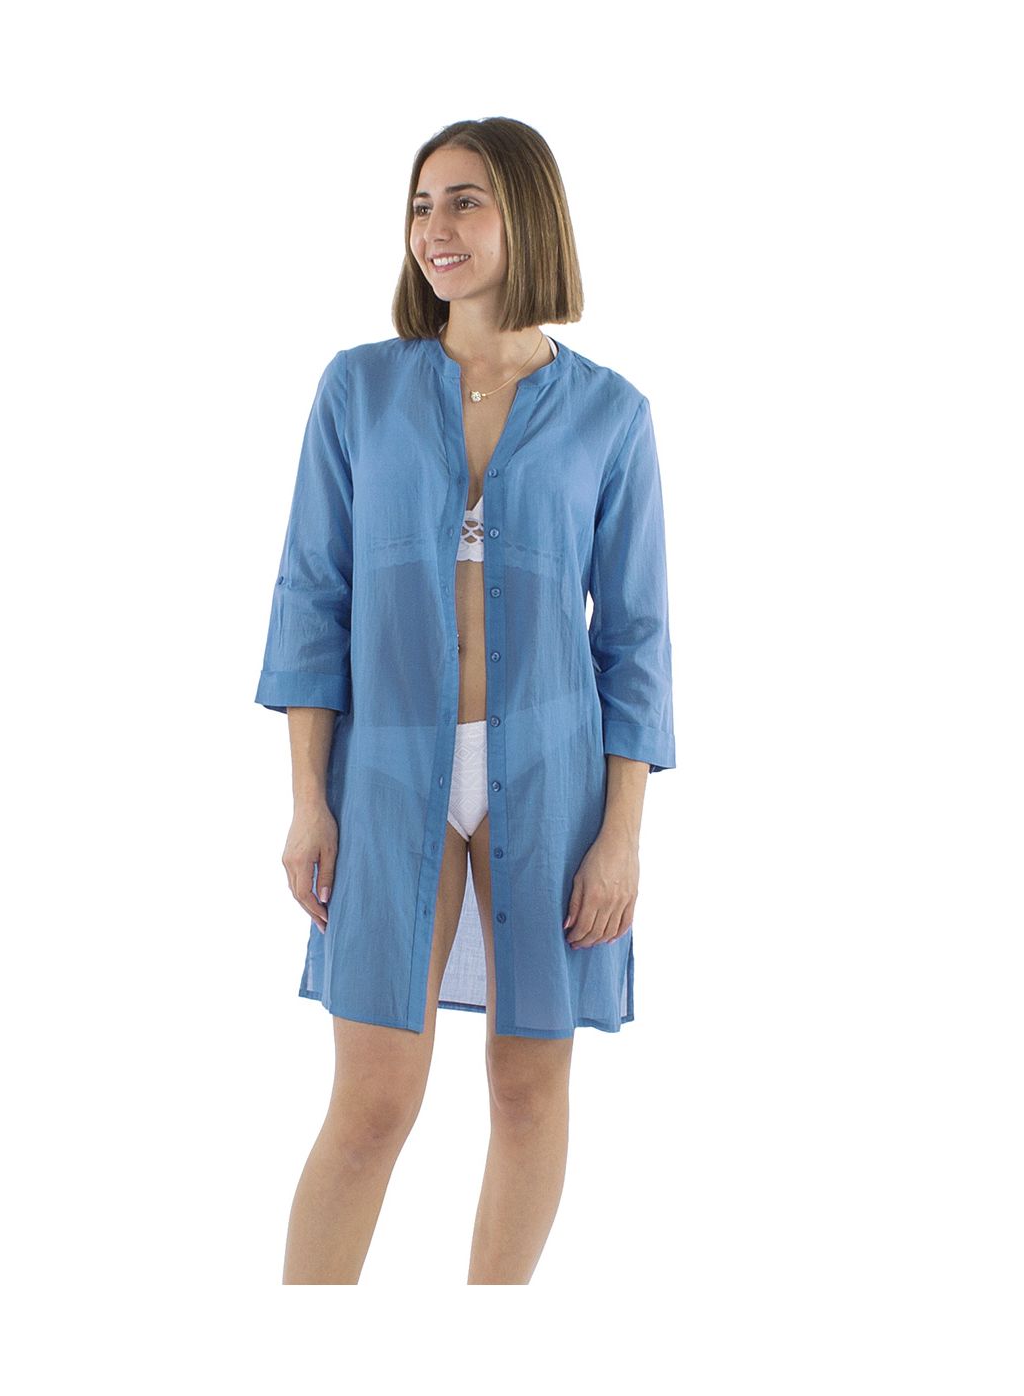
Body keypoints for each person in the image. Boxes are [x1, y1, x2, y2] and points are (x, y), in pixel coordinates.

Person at [255, 116, 676, 1283]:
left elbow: (635, 639)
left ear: (525, 215)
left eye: (464, 201)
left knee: (527, 1093)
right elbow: (311, 598)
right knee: (372, 1102)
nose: (434, 229)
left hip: (554, 774)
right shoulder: (358, 389)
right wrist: (306, 800)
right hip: (387, 771)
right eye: (420, 204)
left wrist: (622, 837)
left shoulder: (610, 414)